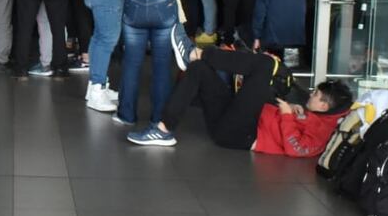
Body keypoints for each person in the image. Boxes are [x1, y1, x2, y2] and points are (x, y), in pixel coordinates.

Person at [128, 47, 353, 155]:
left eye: (315, 96)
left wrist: (286, 117)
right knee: (200, 71)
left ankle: (200, 52)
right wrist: (291, 111)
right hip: (236, 120)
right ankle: (163, 129)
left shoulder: (323, 130)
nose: (310, 95)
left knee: (265, 65)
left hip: (243, 134)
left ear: (324, 106)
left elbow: (298, 148)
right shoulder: (315, 115)